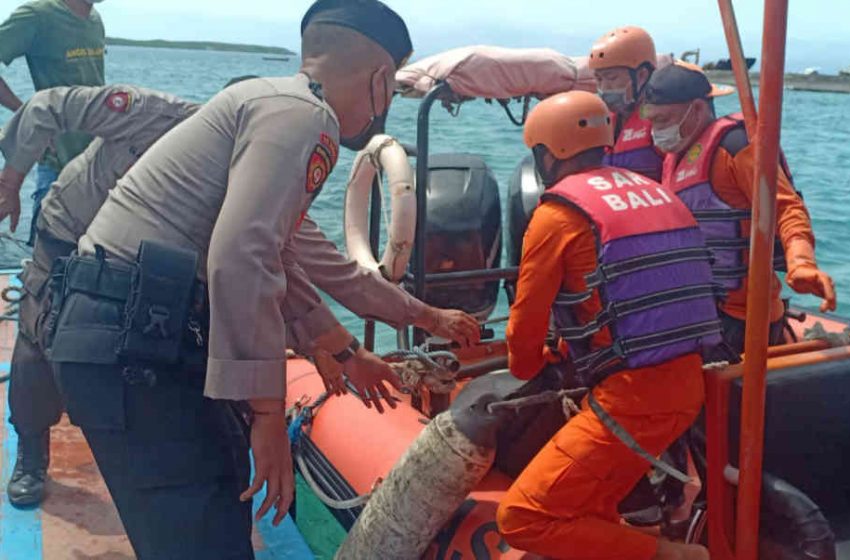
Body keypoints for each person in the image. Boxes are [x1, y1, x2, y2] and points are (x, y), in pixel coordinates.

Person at [44, 2, 422, 557]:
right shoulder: (305, 116)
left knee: (210, 513)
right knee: (205, 537)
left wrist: (342, 348)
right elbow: (242, 256)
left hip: (131, 334)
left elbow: (280, 257)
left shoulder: (268, 102)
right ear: (382, 80)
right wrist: (268, 413)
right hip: (137, 346)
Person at [0, 81, 479, 508]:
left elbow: (314, 268)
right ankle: (30, 448)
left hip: (149, 281)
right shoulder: (157, 115)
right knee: (35, 348)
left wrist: (412, 322)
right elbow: (49, 105)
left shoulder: (265, 179)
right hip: (68, 232)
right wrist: (12, 177)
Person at [495, 90, 719, 560]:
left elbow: (523, 333)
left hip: (633, 401)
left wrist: (530, 365)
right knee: (589, 507)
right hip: (690, 387)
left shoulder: (556, 216)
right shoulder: (658, 192)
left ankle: (678, 556)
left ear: (546, 154)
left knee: (522, 517)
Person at [643, 62, 836, 354]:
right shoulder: (675, 156)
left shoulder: (737, 147)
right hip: (698, 307)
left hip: (742, 318)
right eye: (652, 121)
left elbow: (786, 208)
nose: (657, 131)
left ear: (696, 109)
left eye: (664, 120)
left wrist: (802, 262)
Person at [0, 0, 105, 243]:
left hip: (94, 162)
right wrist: (25, 113)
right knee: (46, 249)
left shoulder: (95, 20)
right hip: (56, 161)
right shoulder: (37, 15)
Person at [589, 25, 663, 181]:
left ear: (642, 76)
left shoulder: (663, 121)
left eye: (611, 78)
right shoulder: (600, 121)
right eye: (599, 79)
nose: (603, 88)